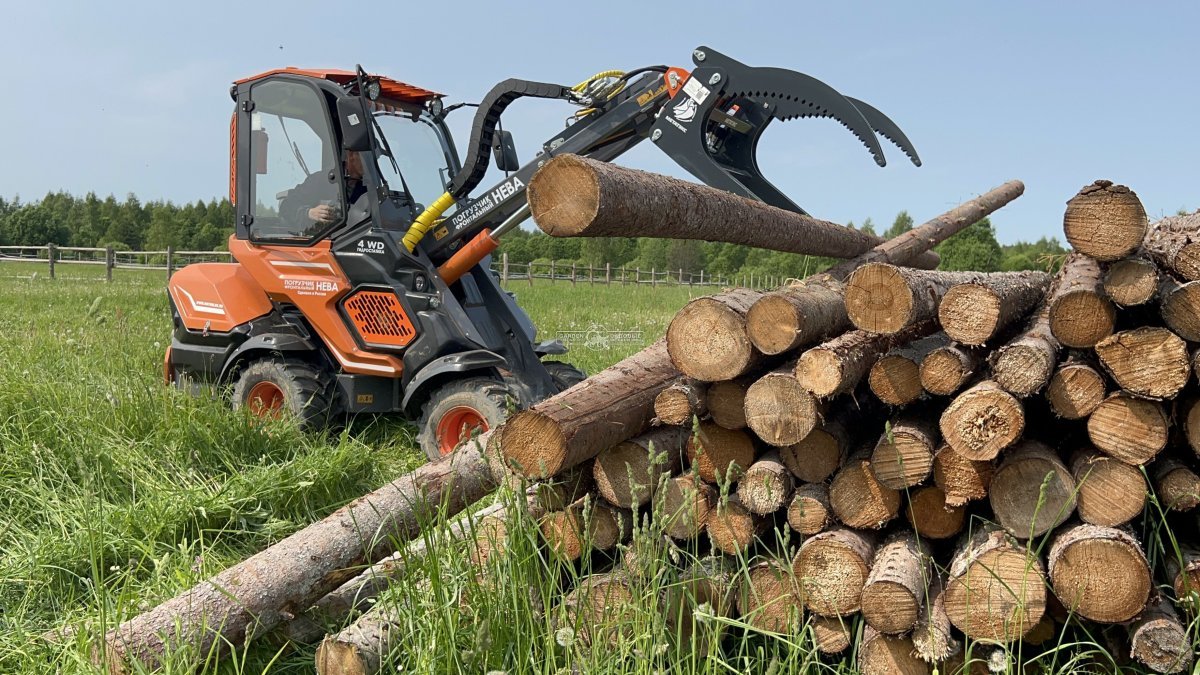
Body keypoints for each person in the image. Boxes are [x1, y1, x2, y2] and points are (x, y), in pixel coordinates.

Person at [280, 150, 368, 231]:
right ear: (351, 155)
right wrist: (309, 213)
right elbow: (286, 206)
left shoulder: (368, 190)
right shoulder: (321, 180)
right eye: (367, 157)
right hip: (320, 242)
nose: (372, 163)